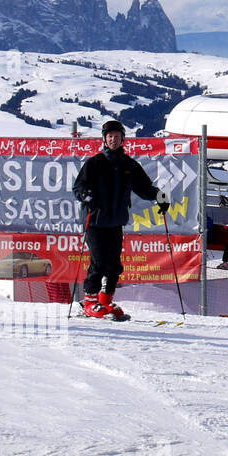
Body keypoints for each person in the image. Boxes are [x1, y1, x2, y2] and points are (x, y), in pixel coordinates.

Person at [72, 119, 168, 322]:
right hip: (95, 221)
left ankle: (105, 301)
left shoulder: (128, 165)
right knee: (98, 262)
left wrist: (160, 197)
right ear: (104, 140)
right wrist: (85, 196)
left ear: (122, 139)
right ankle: (89, 302)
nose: (113, 140)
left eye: (117, 137)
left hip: (115, 221)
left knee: (114, 265)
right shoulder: (95, 163)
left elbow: (144, 187)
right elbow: (78, 187)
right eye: (110, 137)